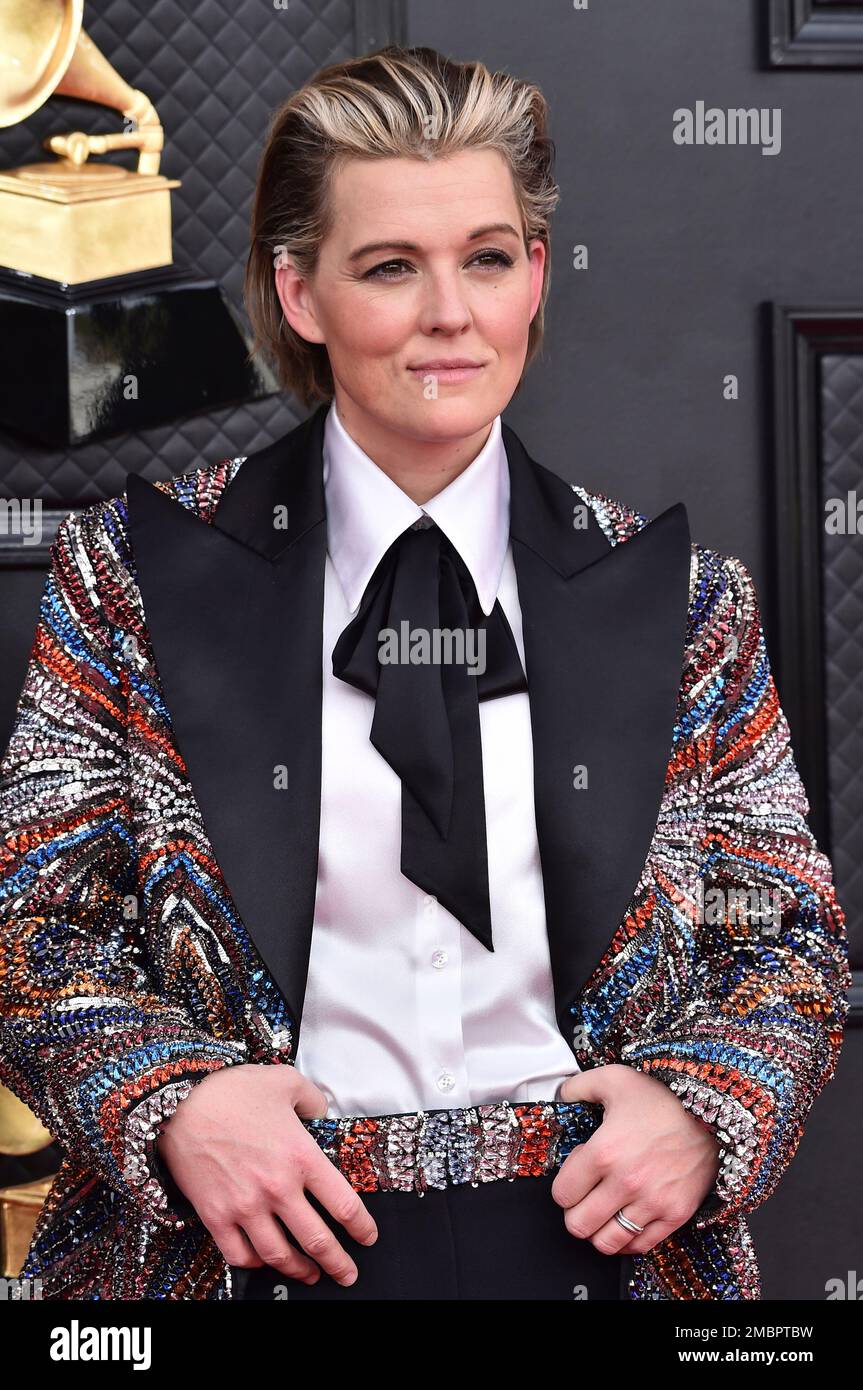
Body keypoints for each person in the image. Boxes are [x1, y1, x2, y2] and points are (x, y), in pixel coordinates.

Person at [0, 45, 850, 1302]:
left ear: (534, 279)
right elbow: (35, 925)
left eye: (486, 258)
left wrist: (704, 1110)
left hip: (595, 1248)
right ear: (299, 294)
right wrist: (173, 1104)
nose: (449, 312)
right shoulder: (129, 571)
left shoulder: (686, 606)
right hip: (232, 1247)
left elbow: (787, 941)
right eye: (390, 266)